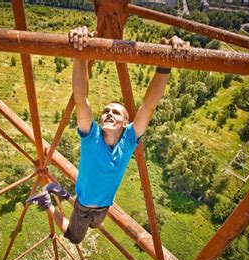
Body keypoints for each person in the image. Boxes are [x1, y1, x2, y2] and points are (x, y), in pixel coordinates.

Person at [27, 26, 189, 244]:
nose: (109, 113)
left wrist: (166, 63)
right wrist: (80, 51)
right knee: (75, 237)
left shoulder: (129, 139)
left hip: (104, 206)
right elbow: (81, 99)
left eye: (116, 112)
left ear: (126, 122)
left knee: (94, 224)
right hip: (83, 207)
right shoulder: (91, 137)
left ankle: (63, 195)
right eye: (106, 111)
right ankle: (48, 201)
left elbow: (148, 106)